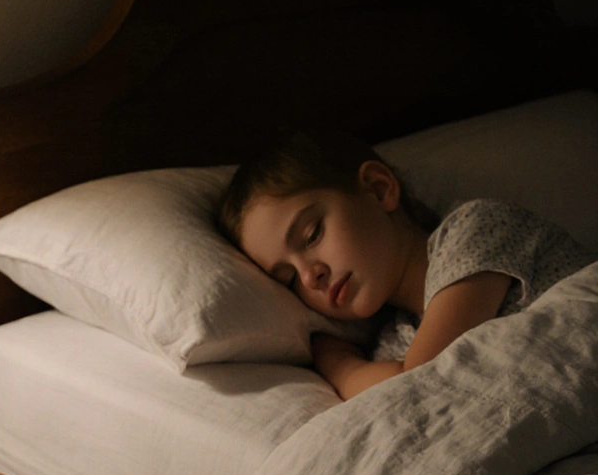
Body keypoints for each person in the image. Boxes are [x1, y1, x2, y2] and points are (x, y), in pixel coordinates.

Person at [216, 129, 596, 400]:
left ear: (379, 189)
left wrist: (338, 365)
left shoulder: (476, 228)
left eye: (313, 234)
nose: (309, 276)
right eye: (287, 278)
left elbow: (421, 382)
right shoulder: (393, 343)